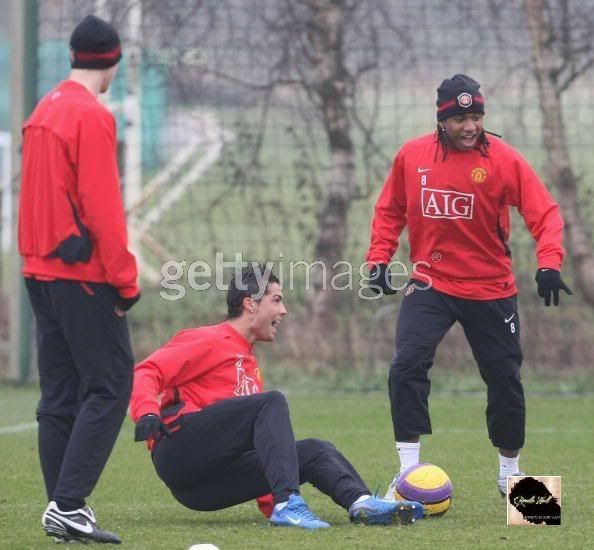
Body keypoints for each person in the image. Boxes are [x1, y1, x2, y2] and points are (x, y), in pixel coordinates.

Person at [365, 74, 571, 498]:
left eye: (476, 116)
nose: (470, 126)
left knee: (504, 378)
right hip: (430, 283)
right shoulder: (412, 156)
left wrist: (549, 263)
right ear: (442, 120)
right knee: (406, 366)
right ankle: (408, 473)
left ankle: (510, 474)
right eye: (460, 118)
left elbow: (545, 214)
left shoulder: (505, 160)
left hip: (491, 288)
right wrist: (378, 259)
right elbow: (390, 211)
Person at [130, 265, 425, 529]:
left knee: (315, 450)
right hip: (178, 451)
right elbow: (147, 370)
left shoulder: (250, 367)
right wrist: (146, 412)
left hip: (202, 491)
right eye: (276, 300)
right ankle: (288, 504)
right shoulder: (208, 338)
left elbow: (265, 448)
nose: (283, 311)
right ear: (251, 304)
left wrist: (269, 503)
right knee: (271, 402)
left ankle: (360, 502)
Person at [18, 15, 140, 544]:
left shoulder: (44, 107)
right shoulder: (91, 115)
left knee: (60, 394)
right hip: (82, 274)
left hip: (38, 270)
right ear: (113, 60)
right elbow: (102, 204)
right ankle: (69, 504)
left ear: (73, 56)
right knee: (112, 382)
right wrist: (125, 278)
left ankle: (60, 508)